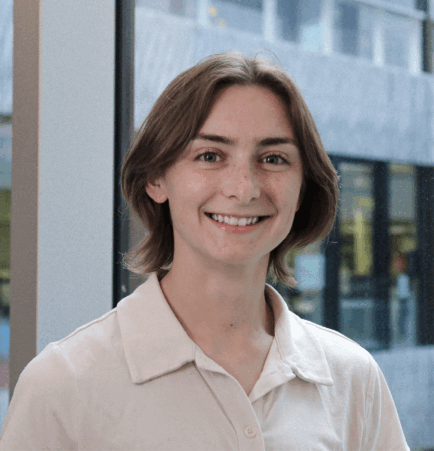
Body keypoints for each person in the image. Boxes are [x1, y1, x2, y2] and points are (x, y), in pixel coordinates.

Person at [0, 52, 410, 450]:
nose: (244, 188)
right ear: (156, 178)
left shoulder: (353, 379)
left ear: (303, 188)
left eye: (273, 158)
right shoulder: (63, 385)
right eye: (210, 156)